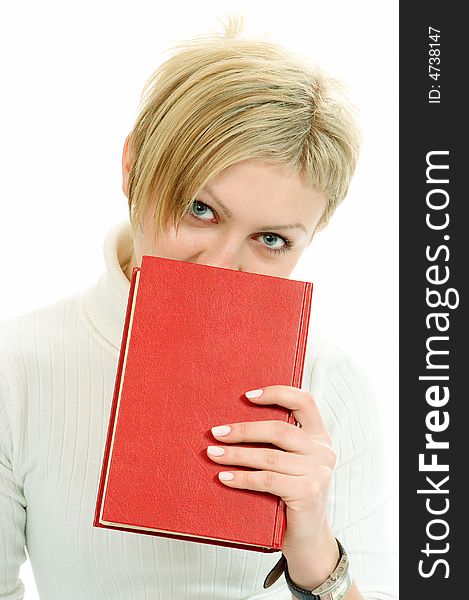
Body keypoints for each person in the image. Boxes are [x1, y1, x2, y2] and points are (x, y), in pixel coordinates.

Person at [0, 16, 395, 600]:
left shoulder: (330, 383)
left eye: (272, 239)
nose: (219, 266)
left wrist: (314, 553)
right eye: (200, 209)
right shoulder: (18, 366)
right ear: (135, 167)